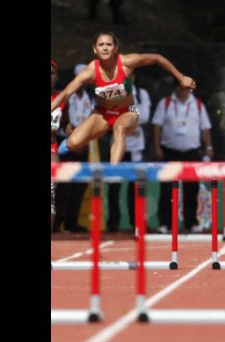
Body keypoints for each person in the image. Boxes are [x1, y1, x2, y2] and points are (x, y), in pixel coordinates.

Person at [50, 31, 196, 169]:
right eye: (101, 45)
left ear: (116, 48)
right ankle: (80, 139)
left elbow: (157, 58)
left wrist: (181, 77)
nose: (105, 48)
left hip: (128, 111)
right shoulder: (90, 71)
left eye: (109, 44)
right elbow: (66, 93)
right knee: (73, 143)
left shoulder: (127, 62)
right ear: (95, 49)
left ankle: (112, 172)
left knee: (119, 129)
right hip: (102, 113)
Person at [152, 78, 214, 233]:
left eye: (186, 88)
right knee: (166, 189)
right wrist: (157, 147)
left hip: (192, 152)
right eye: (180, 87)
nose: (183, 90)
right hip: (169, 151)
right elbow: (157, 127)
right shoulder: (165, 103)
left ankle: (191, 222)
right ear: (175, 88)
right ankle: (165, 223)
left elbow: (205, 128)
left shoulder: (198, 105)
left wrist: (209, 146)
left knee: (192, 189)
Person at [107, 72, 151, 232]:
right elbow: (112, 115)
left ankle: (137, 222)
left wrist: (129, 115)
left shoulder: (142, 93)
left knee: (136, 188)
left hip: (136, 148)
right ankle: (113, 223)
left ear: (134, 78)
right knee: (114, 187)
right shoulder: (112, 92)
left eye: (130, 76)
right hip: (118, 145)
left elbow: (145, 116)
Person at [54, 63, 93, 233]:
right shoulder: (68, 95)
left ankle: (70, 222)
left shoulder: (87, 98)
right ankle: (59, 222)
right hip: (66, 145)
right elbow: (65, 123)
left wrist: (79, 138)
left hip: (77, 145)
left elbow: (68, 123)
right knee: (64, 187)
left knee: (77, 185)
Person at [51, 60, 68, 231]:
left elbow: (66, 124)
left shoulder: (62, 99)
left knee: (50, 200)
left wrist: (71, 130)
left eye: (52, 73)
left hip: (51, 151)